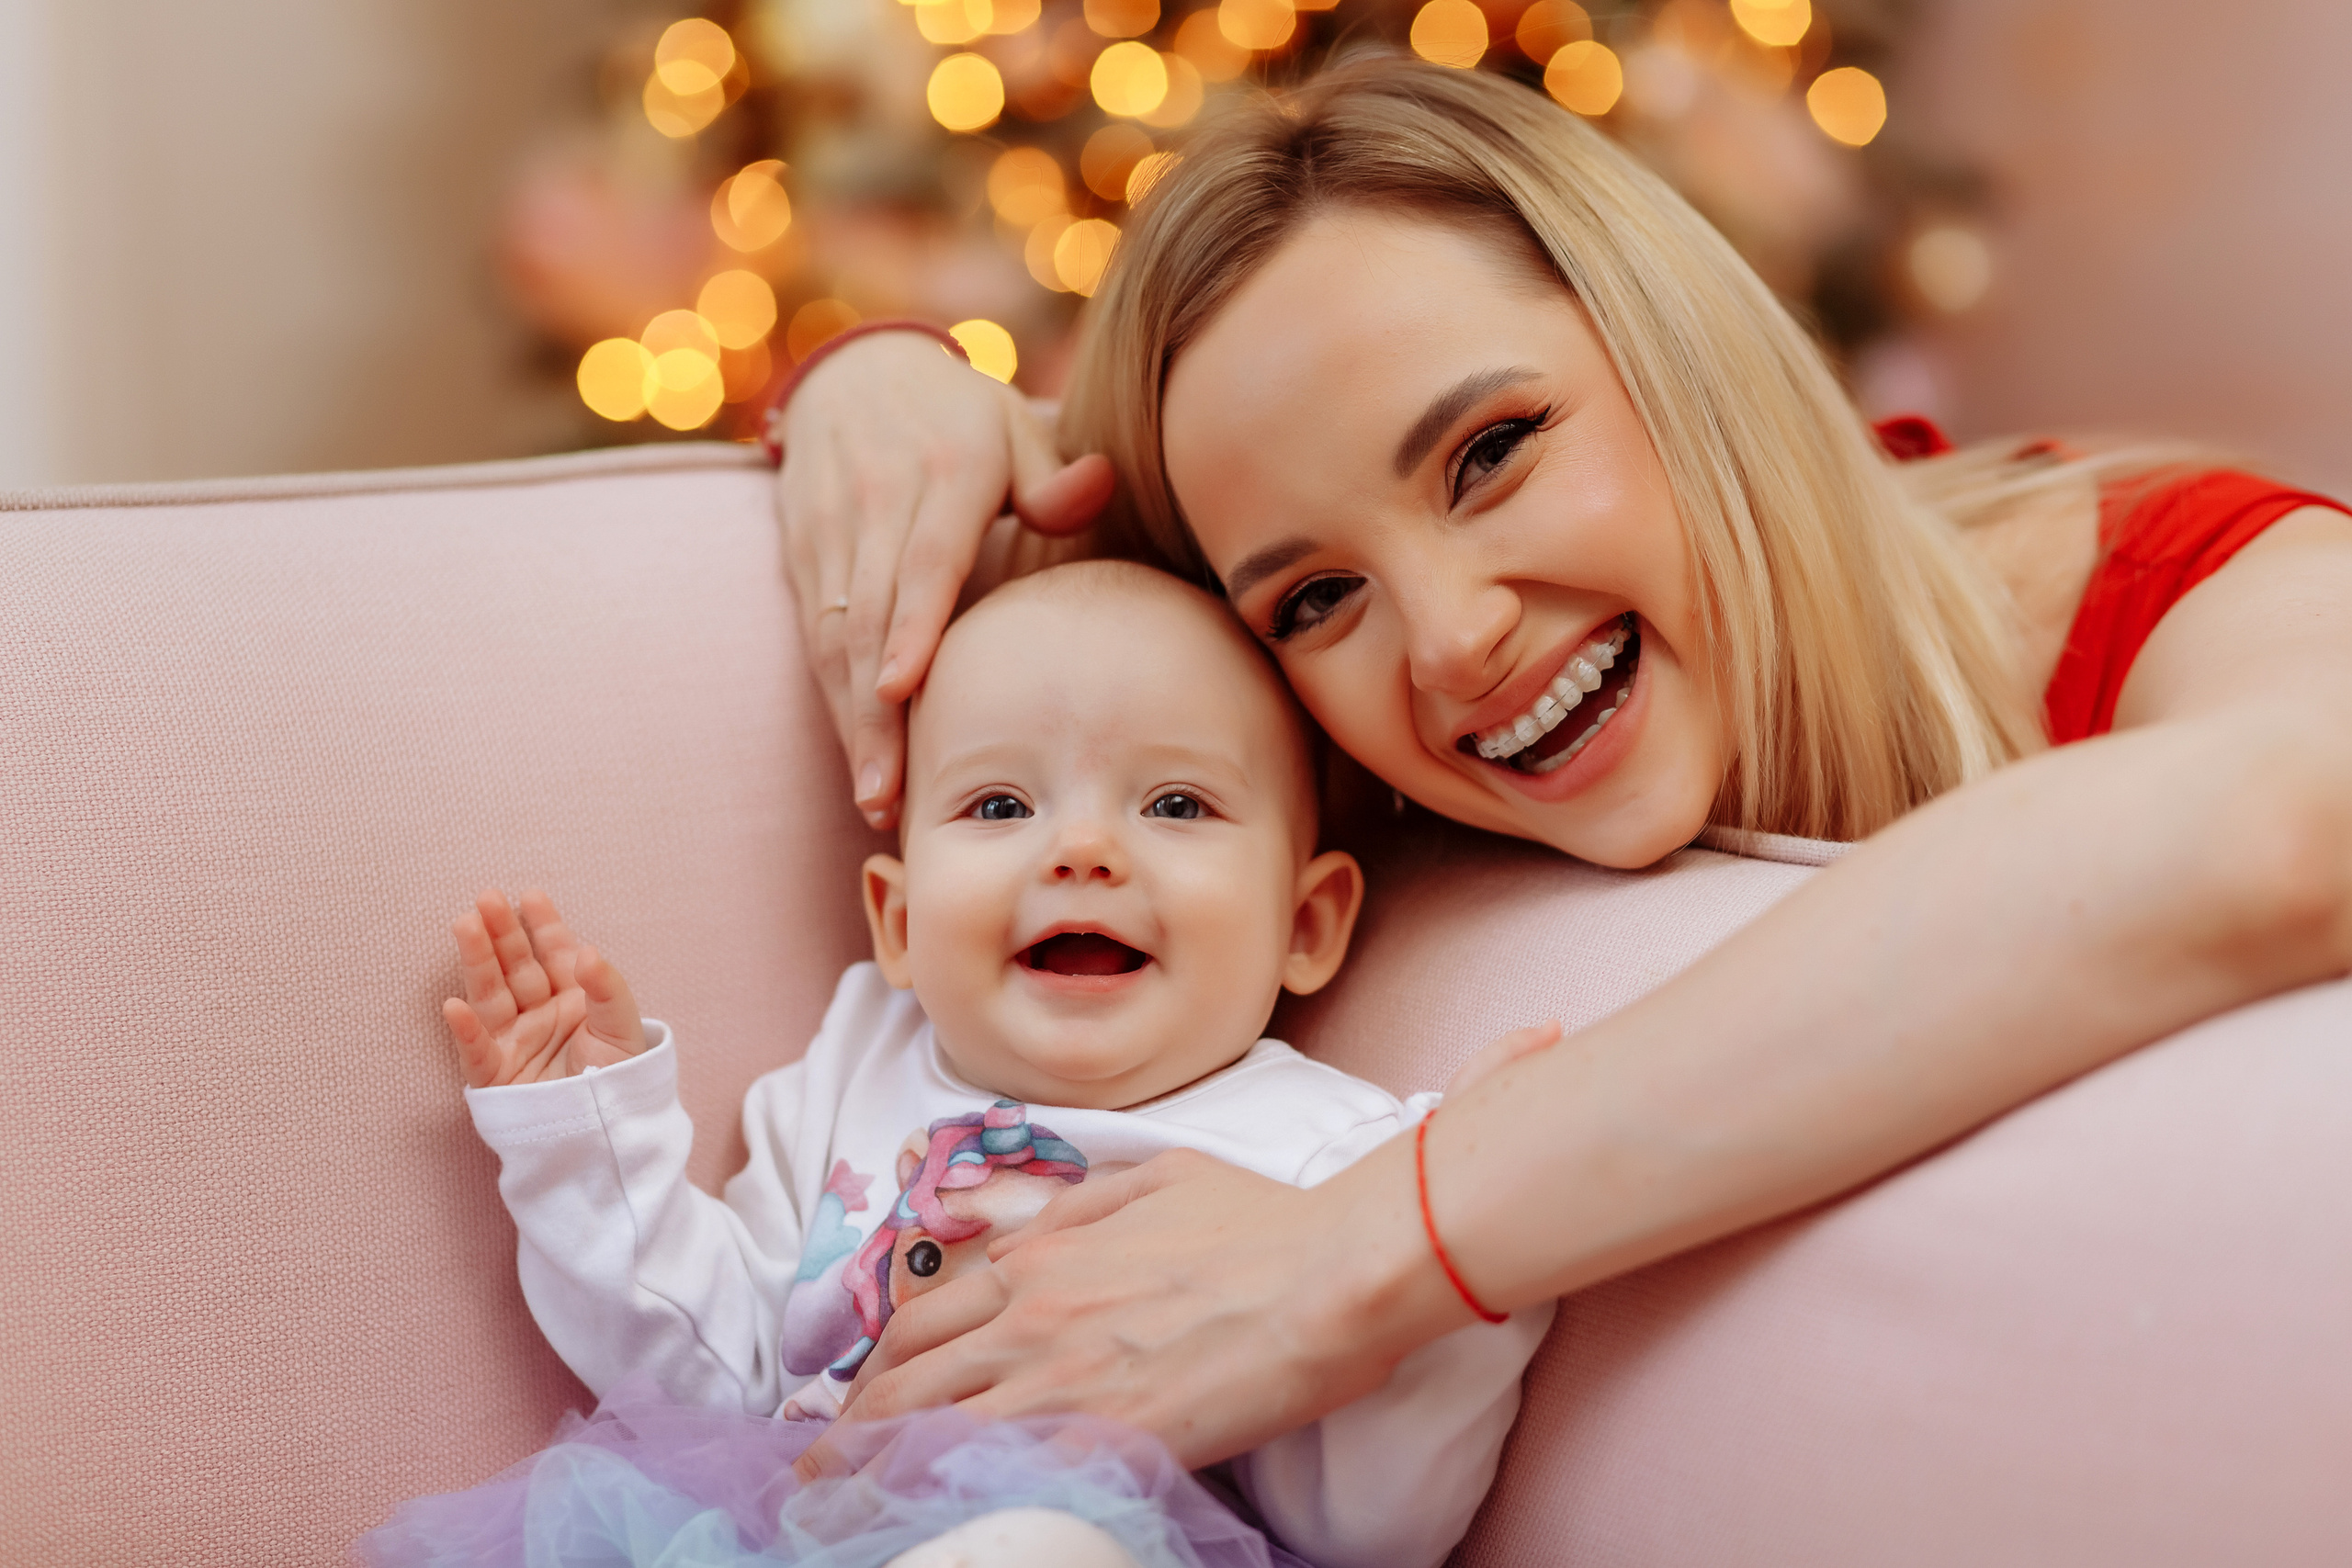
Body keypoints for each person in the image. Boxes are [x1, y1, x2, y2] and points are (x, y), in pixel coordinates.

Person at [768, 57, 2352, 1478]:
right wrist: (876, 376)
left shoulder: (2186, 579)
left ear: (1680, 349)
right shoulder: (1325, 744)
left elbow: (2292, 814)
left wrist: (1360, 1255)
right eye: (1316, 597)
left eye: (1493, 452)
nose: (1453, 644)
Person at [359, 561, 1551, 1568]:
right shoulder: (856, 1062)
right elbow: (707, 1378)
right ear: (899, 922)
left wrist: (1483, 1239)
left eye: (1177, 804)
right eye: (998, 806)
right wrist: (588, 1132)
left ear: (1307, 924)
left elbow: (1374, 1524)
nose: (1082, 848)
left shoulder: (1331, 1157)